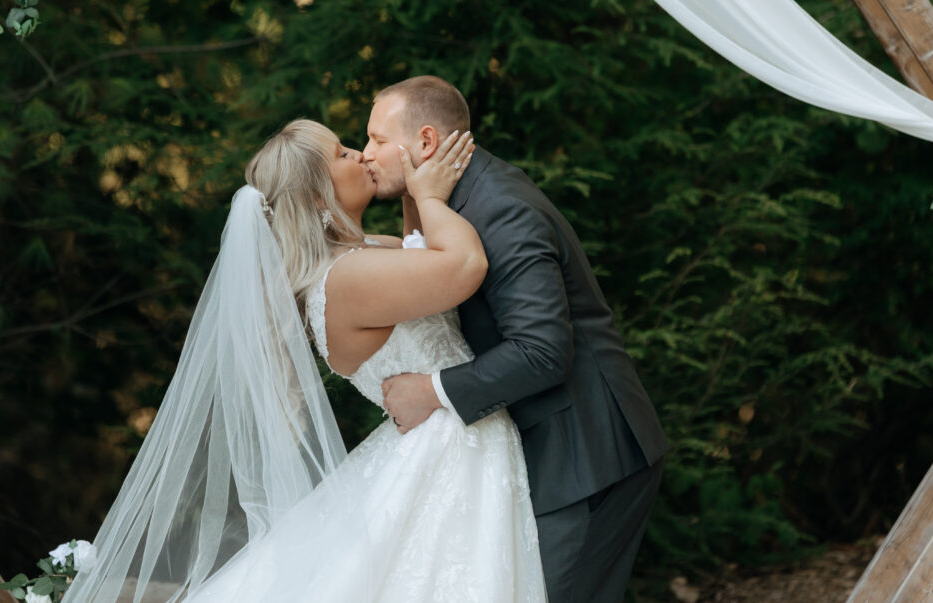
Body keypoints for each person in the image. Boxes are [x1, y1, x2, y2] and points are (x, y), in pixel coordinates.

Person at [62, 119, 546, 602]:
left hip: (454, 435)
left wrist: (410, 190)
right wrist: (432, 198)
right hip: (444, 450)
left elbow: (422, 254)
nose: (359, 154)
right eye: (340, 154)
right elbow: (463, 265)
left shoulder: (364, 252)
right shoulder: (346, 278)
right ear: (317, 198)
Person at [367, 76, 669, 602]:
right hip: (551, 450)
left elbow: (543, 350)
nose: (367, 154)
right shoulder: (455, 197)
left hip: (586, 454)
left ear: (427, 143)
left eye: (376, 139)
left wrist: (431, 391)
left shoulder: (501, 209)